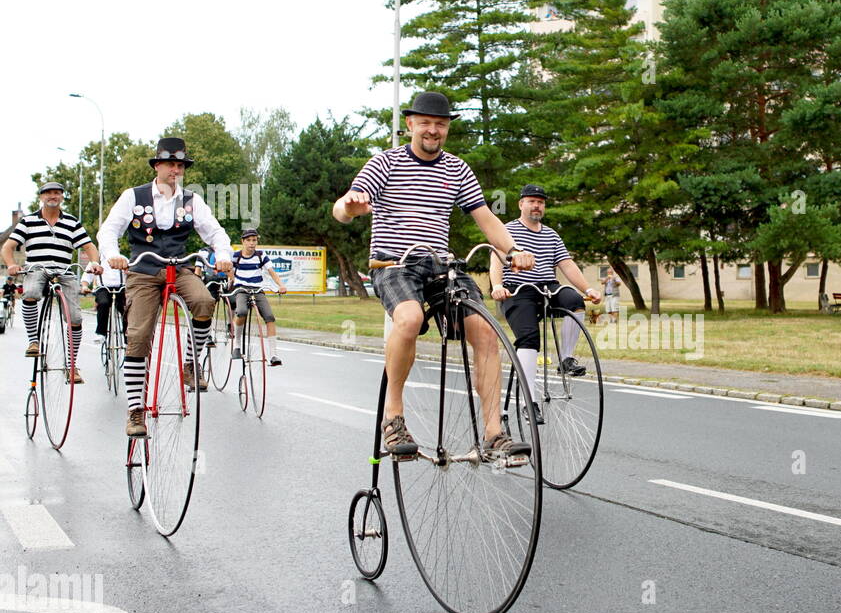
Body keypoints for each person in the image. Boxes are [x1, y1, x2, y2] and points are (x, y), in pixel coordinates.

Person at [331, 90, 536, 458]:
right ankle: (393, 416)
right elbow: (343, 207)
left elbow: (485, 217)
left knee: (487, 330)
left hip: (440, 266)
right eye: (425, 123)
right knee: (408, 318)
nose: (432, 131)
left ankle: (493, 431)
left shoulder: (456, 168)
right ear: (410, 124)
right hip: (394, 264)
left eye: (440, 125)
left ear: (447, 130)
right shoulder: (384, 163)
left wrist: (512, 250)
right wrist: (349, 207)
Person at [97, 137, 234, 437]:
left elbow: (215, 232)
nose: (176, 169)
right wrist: (113, 255)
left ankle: (190, 363)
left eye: (180, 165)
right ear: (157, 165)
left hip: (178, 266)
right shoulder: (133, 196)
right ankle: (136, 410)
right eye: (170, 164)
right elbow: (108, 230)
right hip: (143, 269)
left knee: (203, 301)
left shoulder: (191, 200)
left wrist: (223, 256)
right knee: (139, 336)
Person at [490, 184, 600, 421]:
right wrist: (497, 286)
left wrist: (587, 288)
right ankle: (530, 402)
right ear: (521, 204)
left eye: (540, 202)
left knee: (573, 299)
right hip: (517, 289)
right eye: (531, 201)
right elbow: (497, 261)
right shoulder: (507, 231)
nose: (536, 205)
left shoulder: (551, 234)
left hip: (546, 286)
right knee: (529, 338)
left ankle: (566, 359)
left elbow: (567, 264)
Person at [2, 181, 101, 382]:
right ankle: (33, 342)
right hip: (36, 268)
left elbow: (90, 247)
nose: (52, 196)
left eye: (57, 193)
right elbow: (7, 247)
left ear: (62, 197)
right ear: (41, 197)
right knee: (30, 292)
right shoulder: (27, 221)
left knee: (75, 317)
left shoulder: (72, 222)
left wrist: (94, 262)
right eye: (48, 193)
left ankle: (72, 365)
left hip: (64, 271)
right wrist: (12, 265)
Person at [228, 229, 287, 366]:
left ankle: (273, 354)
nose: (252, 243)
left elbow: (272, 272)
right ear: (243, 241)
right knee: (241, 311)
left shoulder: (261, 255)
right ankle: (236, 345)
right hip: (241, 289)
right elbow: (229, 271)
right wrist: (233, 280)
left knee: (270, 317)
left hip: (257, 289)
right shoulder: (236, 256)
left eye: (254, 240)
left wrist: (281, 285)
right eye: (248, 240)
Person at [80, 260, 126, 345]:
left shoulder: (121, 258)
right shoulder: (96, 260)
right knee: (103, 303)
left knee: (126, 307)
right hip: (103, 288)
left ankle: (128, 336)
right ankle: (101, 333)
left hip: (121, 287)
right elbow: (86, 276)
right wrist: (85, 286)